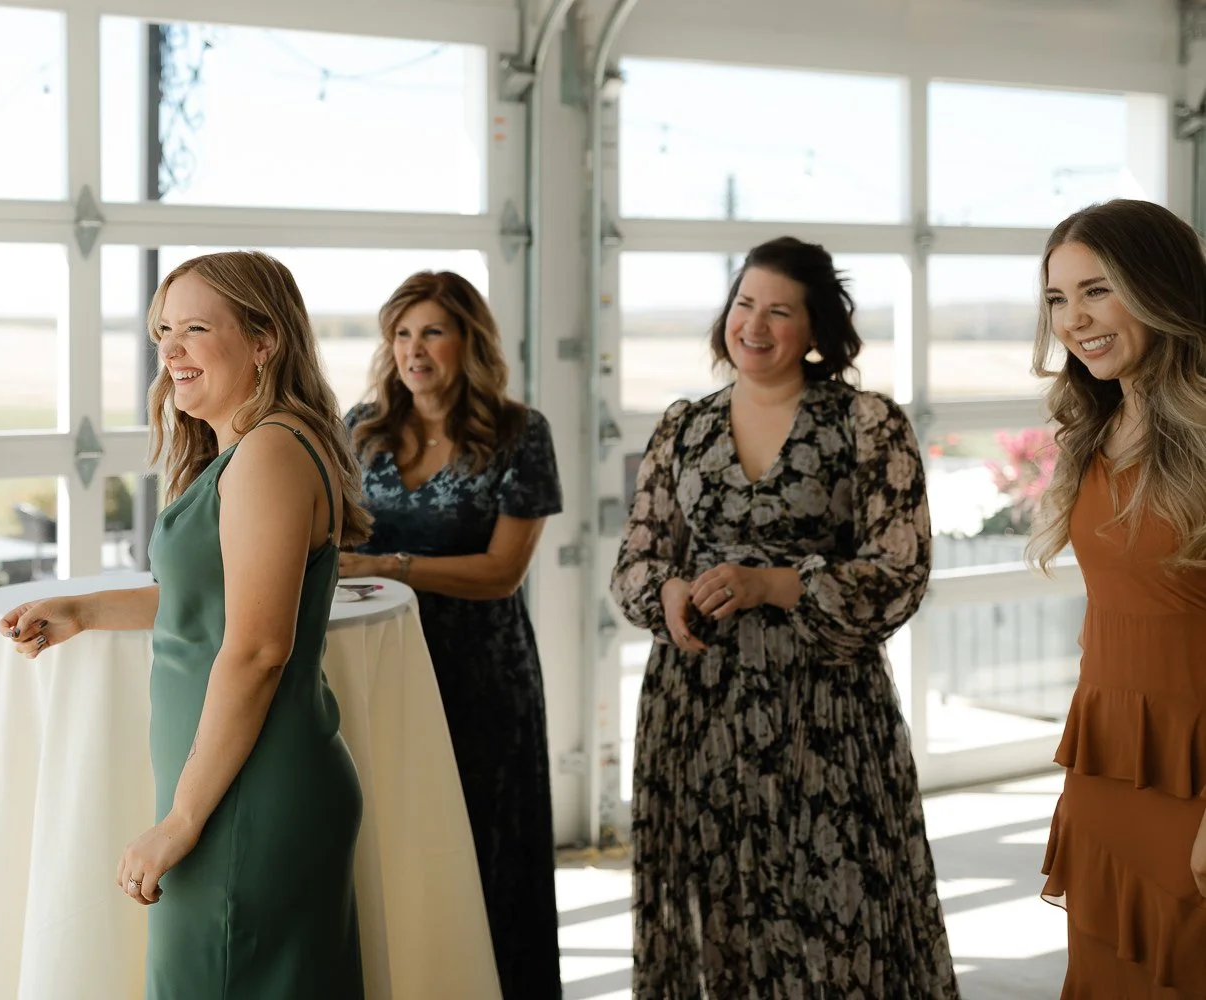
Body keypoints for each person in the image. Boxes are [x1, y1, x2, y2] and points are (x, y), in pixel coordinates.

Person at [0, 251, 369, 1000]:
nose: (170, 350)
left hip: (245, 800)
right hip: (239, 786)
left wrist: (180, 821)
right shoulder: (248, 450)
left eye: (197, 328)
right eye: (164, 329)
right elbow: (215, 601)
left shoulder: (268, 452)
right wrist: (85, 610)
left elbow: (260, 649)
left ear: (264, 341)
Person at [610, 237, 959, 997]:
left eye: (779, 311)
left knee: (837, 911)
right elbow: (635, 563)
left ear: (815, 329)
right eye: (743, 304)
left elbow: (902, 568)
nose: (754, 326)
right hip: (698, 707)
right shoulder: (683, 427)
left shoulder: (868, 423)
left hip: (825, 711)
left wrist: (775, 585)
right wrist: (667, 592)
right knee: (725, 913)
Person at [340, 269, 563, 1000]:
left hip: (483, 676)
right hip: (380, 670)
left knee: (483, 852)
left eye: (432, 331)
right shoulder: (362, 429)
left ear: (470, 340)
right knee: (392, 850)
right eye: (402, 334)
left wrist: (388, 565)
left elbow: (501, 573)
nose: (415, 349)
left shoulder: (520, 434)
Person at [1029, 199, 1206, 997]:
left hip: (1194, 771)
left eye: (1097, 290)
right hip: (1107, 760)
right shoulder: (1097, 426)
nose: (1075, 319)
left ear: (1160, 288)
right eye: (1059, 298)